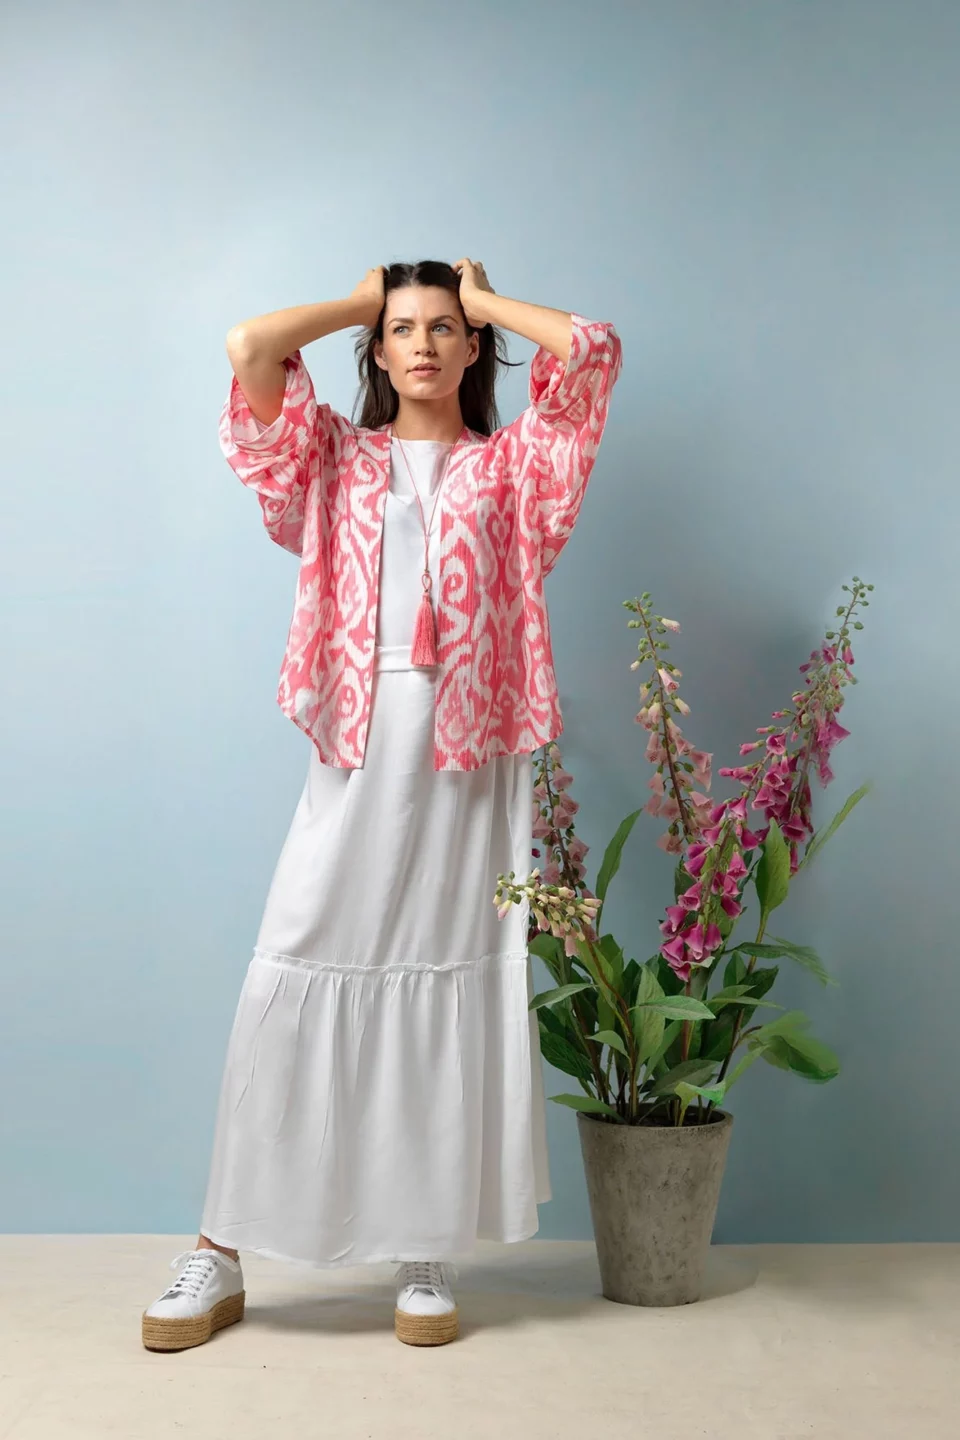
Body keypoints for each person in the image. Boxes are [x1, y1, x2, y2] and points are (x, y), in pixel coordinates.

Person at [141, 259, 622, 1352]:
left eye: (444, 329)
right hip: (360, 737)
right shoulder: (330, 458)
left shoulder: (517, 469)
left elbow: (593, 353)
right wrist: (364, 301)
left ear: (472, 347)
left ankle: (424, 1242)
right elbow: (251, 348)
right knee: (299, 955)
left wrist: (484, 298)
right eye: (402, 330)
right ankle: (219, 1250)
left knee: (448, 967)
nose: (423, 346)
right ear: (376, 348)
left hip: (472, 746)